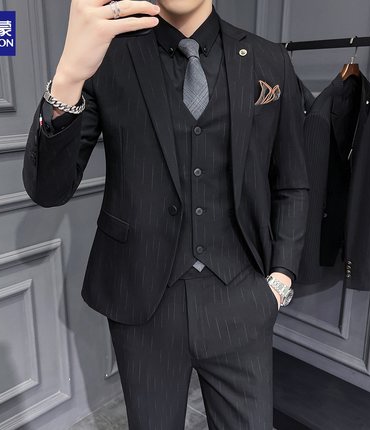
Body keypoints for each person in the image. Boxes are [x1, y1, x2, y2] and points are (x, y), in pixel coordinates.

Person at [22, 0, 310, 428]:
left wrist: (280, 280)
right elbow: (48, 190)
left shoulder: (269, 59)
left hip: (242, 297)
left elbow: (292, 181)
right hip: (143, 302)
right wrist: (68, 77)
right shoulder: (108, 57)